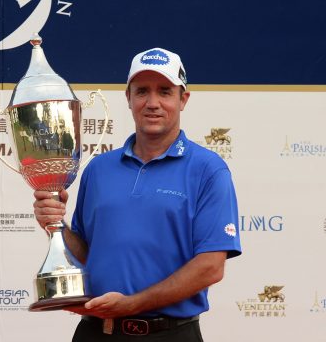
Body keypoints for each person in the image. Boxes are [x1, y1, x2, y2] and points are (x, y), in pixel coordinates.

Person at [33, 48, 242, 341]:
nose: (153, 103)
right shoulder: (99, 168)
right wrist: (56, 225)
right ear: (128, 98)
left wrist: (132, 304)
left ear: (183, 99)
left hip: (170, 334)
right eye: (142, 91)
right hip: (95, 332)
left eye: (165, 92)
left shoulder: (208, 170)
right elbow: (85, 255)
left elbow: (210, 267)